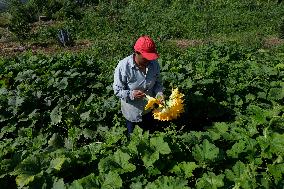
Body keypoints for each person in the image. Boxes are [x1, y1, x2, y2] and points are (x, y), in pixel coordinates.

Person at [113, 35, 164, 136]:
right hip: (133, 113)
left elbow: (158, 83)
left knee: (150, 137)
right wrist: (131, 94)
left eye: (150, 57)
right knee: (134, 141)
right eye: (145, 57)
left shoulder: (154, 64)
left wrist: (159, 93)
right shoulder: (123, 66)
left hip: (149, 111)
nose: (148, 60)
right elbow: (117, 90)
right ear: (136, 53)